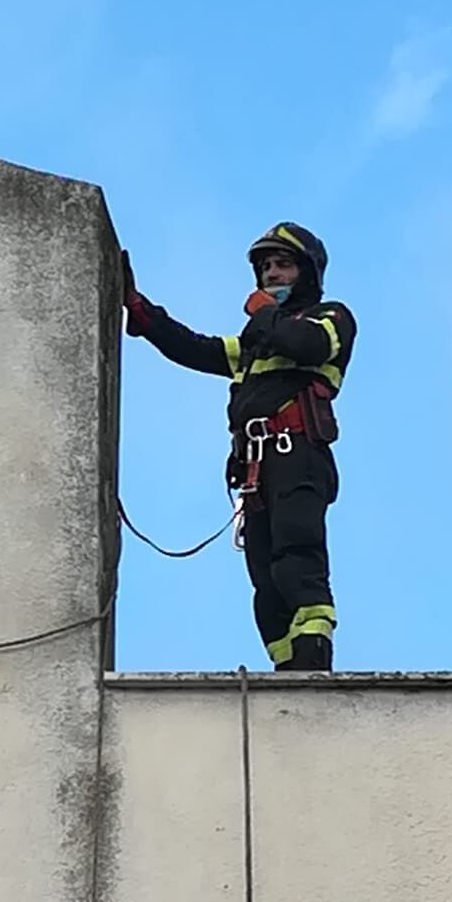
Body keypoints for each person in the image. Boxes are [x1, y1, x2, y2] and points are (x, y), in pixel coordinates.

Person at [122, 223, 357, 671]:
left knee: (296, 558)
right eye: (265, 267)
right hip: (257, 469)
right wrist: (140, 310)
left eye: (283, 265)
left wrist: (264, 313)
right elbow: (195, 347)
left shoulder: (332, 318)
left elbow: (306, 345)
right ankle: (287, 670)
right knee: (266, 581)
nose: (271, 274)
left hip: (298, 456)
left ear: (307, 273)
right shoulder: (256, 342)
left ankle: (313, 662)